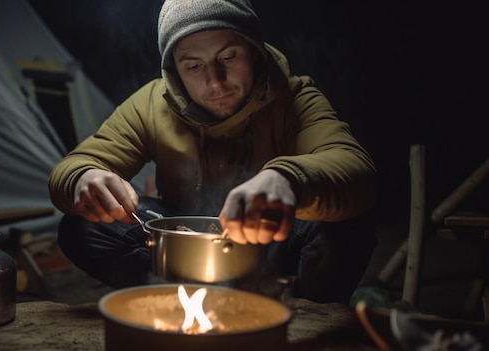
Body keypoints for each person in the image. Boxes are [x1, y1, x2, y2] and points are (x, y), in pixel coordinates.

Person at [49, 0, 378, 304]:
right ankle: (187, 299)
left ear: (254, 51)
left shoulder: (293, 96)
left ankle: (305, 319)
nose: (215, 81)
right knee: (84, 226)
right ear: (174, 70)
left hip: (271, 240)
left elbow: (356, 171)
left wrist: (288, 179)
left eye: (228, 57)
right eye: (193, 66)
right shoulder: (152, 103)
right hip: (184, 247)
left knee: (347, 221)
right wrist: (85, 178)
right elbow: (75, 166)